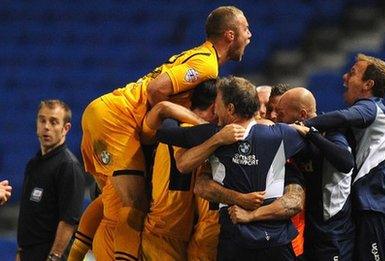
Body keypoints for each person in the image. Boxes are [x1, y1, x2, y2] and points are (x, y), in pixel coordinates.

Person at [75, 6, 252, 261]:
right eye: (245, 28)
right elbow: (157, 91)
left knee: (112, 204)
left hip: (109, 114)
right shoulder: (206, 64)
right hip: (118, 116)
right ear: (230, 35)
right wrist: (193, 121)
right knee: (133, 204)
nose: (250, 34)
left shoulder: (201, 56)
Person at [155, 76, 313, 260]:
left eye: (217, 103)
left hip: (236, 241)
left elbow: (165, 132)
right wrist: (309, 128)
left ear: (230, 108)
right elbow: (331, 149)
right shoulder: (281, 133)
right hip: (277, 243)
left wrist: (170, 109)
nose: (215, 109)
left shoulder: (213, 134)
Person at [233, 87, 355, 260]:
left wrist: (311, 133)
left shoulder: (331, 134)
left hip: (333, 231)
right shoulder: (292, 139)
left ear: (302, 115)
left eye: (281, 113)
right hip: (309, 230)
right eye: (271, 111)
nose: (276, 117)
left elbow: (346, 162)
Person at [303, 53, 385, 260]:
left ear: (368, 84)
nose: (345, 77)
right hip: (359, 209)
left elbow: (341, 117)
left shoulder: (373, 107)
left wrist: (305, 125)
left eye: (353, 73)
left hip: (373, 211)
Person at [142, 80, 220, 260]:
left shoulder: (174, 128)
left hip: (170, 231)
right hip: (165, 233)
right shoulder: (197, 135)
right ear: (215, 107)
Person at [17, 100, 85, 261]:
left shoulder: (68, 167)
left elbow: (69, 220)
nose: (46, 126)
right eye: (42, 120)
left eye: (54, 122)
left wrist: (54, 257)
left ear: (65, 129)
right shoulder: (33, 164)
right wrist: (21, 253)